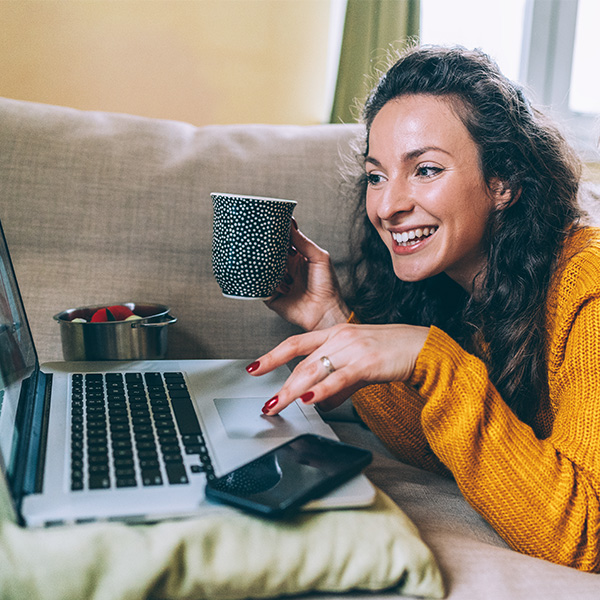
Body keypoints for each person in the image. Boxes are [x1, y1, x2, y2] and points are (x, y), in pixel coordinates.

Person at [244, 45, 600, 572]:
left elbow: (582, 537)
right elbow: (444, 451)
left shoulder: (588, 290)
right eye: (376, 175)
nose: (387, 207)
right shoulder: (464, 284)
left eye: (426, 169)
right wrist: (331, 321)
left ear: (502, 181)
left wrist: (437, 362)